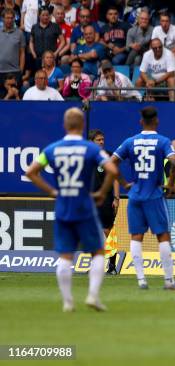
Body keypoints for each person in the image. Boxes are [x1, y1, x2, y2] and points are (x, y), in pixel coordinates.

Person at [25, 107, 117, 312]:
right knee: (99, 252)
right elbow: (112, 169)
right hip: (85, 205)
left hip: (63, 206)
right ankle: (92, 296)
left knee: (65, 256)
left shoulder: (52, 149)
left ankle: (67, 301)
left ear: (65, 125)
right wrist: (102, 191)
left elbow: (31, 172)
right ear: (83, 125)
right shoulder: (91, 149)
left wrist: (51, 191)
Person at [111, 106, 175, 291]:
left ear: (140, 121)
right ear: (157, 121)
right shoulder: (162, 141)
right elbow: (174, 161)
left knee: (136, 237)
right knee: (163, 236)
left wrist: (123, 182)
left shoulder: (130, 141)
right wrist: (169, 183)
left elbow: (111, 162)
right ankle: (169, 281)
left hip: (135, 194)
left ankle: (141, 280)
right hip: (153, 194)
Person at [88, 129, 121, 275]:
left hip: (106, 199)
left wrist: (116, 198)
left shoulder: (108, 156)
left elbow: (115, 178)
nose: (101, 142)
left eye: (102, 139)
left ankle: (112, 266)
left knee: (108, 232)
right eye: (98, 140)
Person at [0, 8, 25, 87]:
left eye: (11, 18)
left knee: (15, 95)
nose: (10, 20)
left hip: (15, 71)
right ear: (3, 19)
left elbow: (22, 53)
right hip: (0, 71)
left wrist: (20, 70)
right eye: (7, 18)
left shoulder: (20, 33)